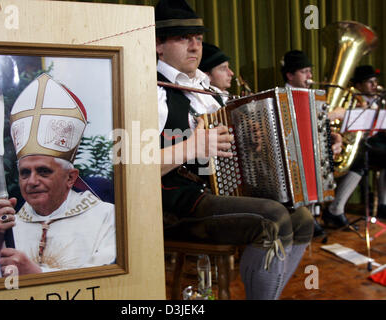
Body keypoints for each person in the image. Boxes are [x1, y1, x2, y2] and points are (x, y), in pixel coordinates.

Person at [156, 0, 313, 300]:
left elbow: (225, 148)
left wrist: (248, 142)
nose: (194, 47)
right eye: (182, 38)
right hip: (177, 207)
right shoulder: (151, 91)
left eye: (198, 39)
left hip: (216, 195)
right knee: (272, 220)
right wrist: (192, 147)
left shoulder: (209, 90)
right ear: (158, 45)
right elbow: (134, 167)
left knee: (303, 219)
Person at [0, 73, 116, 280]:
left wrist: (38, 274)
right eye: (25, 173)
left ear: (71, 178)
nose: (32, 181)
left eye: (43, 171)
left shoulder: (107, 217)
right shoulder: (10, 224)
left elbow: (112, 282)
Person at [280, 50, 344, 237]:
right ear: (290, 75)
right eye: (304, 71)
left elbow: (317, 130)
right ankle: (306, 217)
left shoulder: (312, 96)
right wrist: (331, 115)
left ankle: (318, 213)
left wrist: (334, 137)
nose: (310, 76)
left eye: (310, 71)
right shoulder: (282, 97)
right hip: (292, 155)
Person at [323, 65, 386, 225]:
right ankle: (335, 209)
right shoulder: (350, 99)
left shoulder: (379, 100)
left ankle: (383, 204)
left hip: (374, 140)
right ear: (358, 85)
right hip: (359, 144)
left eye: (375, 81)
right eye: (369, 82)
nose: (374, 85)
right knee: (361, 160)